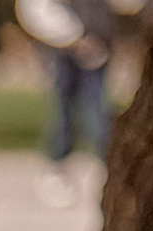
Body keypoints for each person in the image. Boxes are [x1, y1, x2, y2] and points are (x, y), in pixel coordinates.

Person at [15, 0, 117, 206]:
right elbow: (35, 7)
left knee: (98, 113)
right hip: (61, 48)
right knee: (62, 113)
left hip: (98, 47)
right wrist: (74, 38)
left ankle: (112, 170)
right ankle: (57, 171)